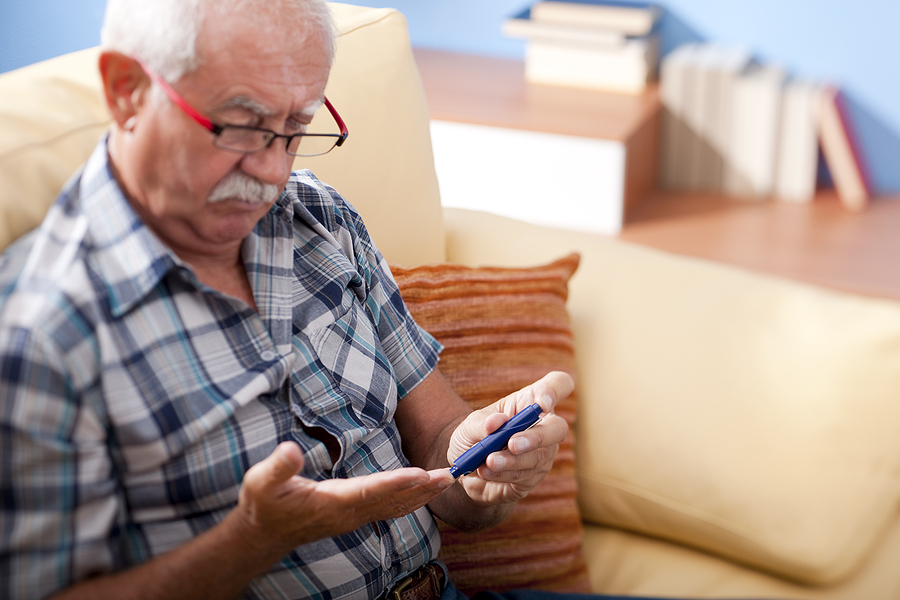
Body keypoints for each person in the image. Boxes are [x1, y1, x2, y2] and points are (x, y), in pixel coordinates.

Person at [0, 0, 572, 598]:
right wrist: (256, 537)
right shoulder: (40, 333)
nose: (272, 172)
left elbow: (438, 442)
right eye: (242, 126)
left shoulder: (317, 215)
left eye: (296, 128)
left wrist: (482, 468)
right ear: (127, 91)